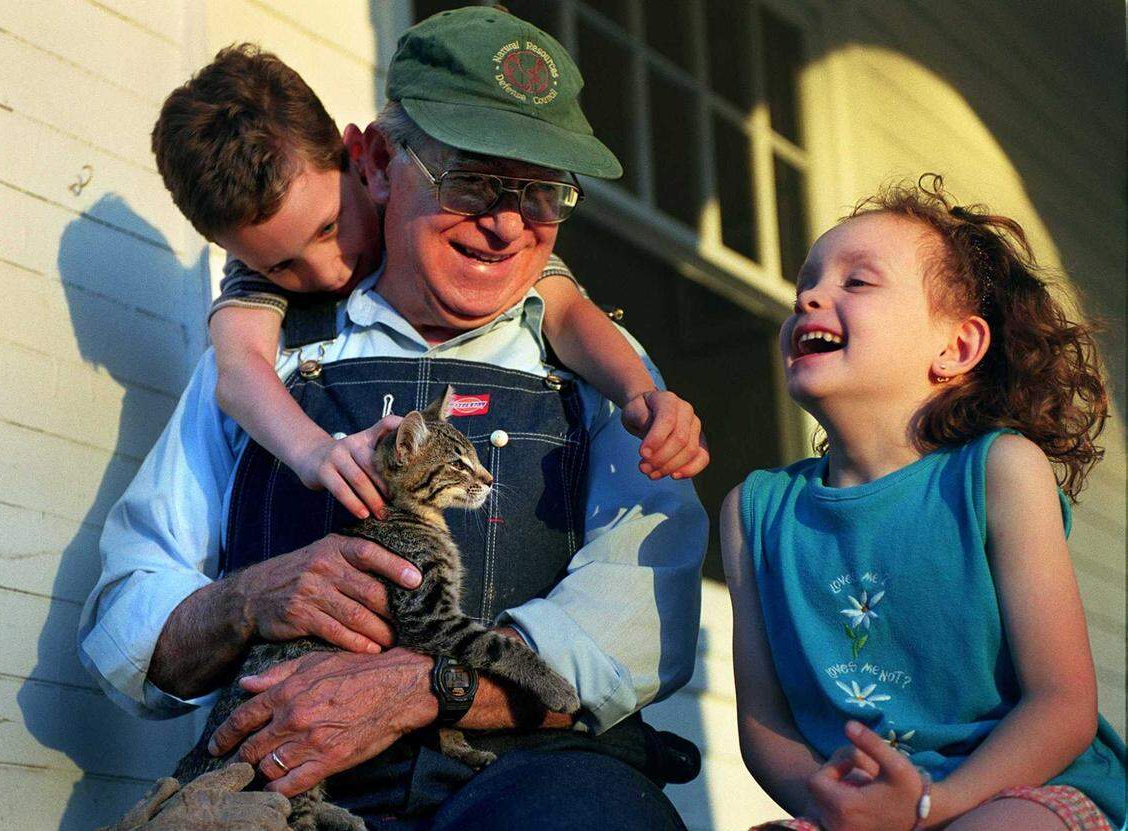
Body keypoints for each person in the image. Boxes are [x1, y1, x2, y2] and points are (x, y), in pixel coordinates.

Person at [81, 7, 707, 830]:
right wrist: (244, 600)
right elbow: (127, 614)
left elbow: (637, 616)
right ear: (376, 161)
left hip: (534, 776)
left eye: (542, 191)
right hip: (292, 770)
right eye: (471, 179)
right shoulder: (262, 358)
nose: (507, 222)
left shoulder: (594, 357)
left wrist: (426, 686)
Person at [721, 176, 1126, 831]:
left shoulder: (999, 470)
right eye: (808, 281)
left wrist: (929, 807)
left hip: (1022, 789)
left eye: (857, 282)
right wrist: (843, 806)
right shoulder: (753, 512)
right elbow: (765, 723)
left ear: (956, 347)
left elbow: (1063, 703)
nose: (810, 295)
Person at [189, 54, 705, 525]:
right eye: (469, 182)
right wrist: (312, 452)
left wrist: (640, 394)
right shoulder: (261, 299)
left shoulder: (523, 274)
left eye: (329, 228)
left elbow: (569, 313)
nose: (327, 273)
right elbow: (237, 373)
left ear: (360, 163)